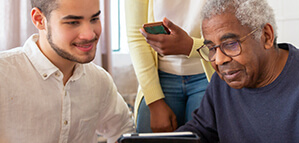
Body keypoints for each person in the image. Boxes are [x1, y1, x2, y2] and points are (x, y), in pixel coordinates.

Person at [176, 0, 299, 142]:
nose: (219, 60)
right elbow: (198, 133)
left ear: (266, 36)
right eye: (212, 48)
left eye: (230, 44)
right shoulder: (222, 81)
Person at [0, 0, 134, 142]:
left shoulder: (99, 80)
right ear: (39, 20)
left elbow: (124, 131)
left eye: (94, 19)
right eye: (73, 22)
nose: (89, 35)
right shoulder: (4, 75)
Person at [125, 0, 214, 133]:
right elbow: (137, 36)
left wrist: (189, 46)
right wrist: (154, 102)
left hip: (209, 75)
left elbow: (233, 35)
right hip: (159, 77)